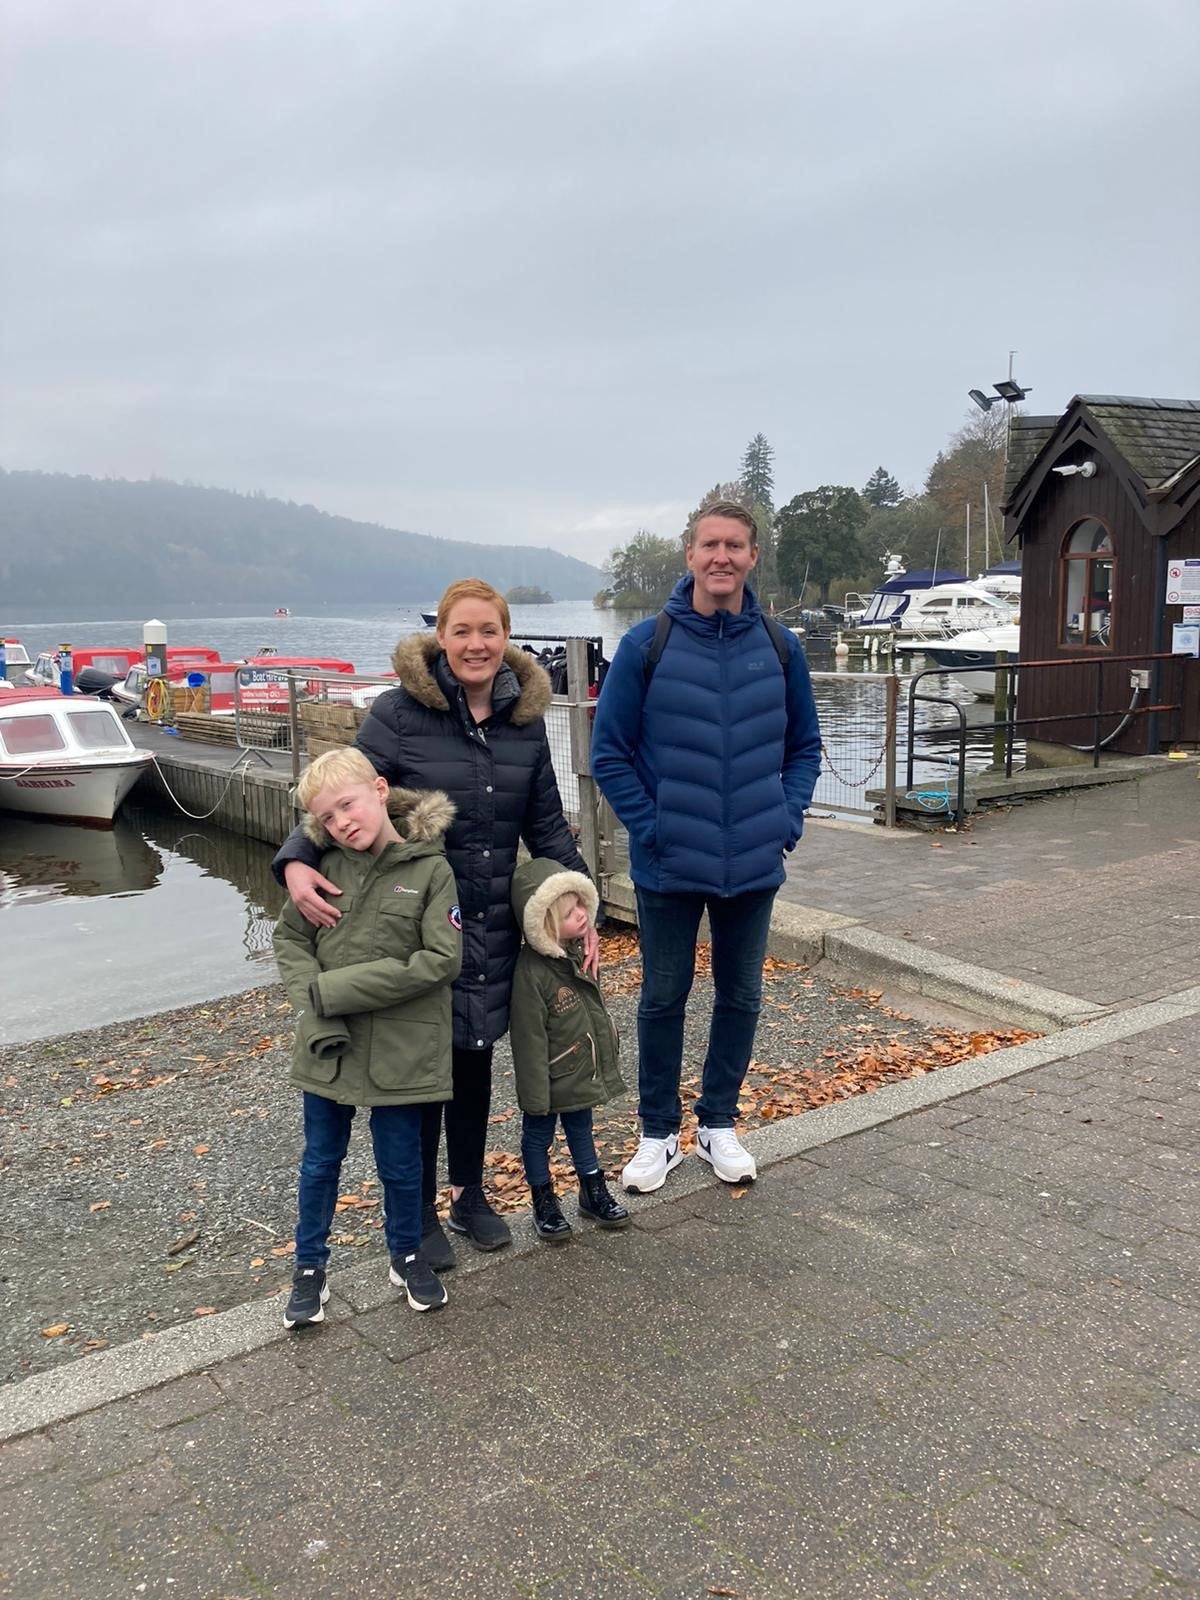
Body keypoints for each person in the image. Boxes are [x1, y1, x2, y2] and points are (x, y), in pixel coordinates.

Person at [273, 578, 597, 1268]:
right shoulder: (397, 713)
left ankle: (469, 1193)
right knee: (421, 1068)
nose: (476, 644)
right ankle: (416, 1210)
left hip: (490, 922)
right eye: (462, 631)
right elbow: (342, 797)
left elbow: (544, 825)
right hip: (415, 922)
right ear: (440, 639)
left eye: (489, 631)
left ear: (506, 638)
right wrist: (295, 861)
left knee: (474, 1056)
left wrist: (581, 904)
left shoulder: (525, 720)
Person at [590, 501, 822, 1192]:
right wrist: (653, 825)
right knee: (663, 995)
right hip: (668, 862)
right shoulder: (645, 645)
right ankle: (658, 1134)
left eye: (736, 546)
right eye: (710, 545)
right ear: (689, 555)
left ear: (753, 557)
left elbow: (805, 746)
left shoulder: (781, 647)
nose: (722, 557)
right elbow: (610, 753)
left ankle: (719, 1122)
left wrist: (786, 818)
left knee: (741, 995)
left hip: (753, 859)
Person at [272, 748, 461, 1326]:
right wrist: (317, 1005)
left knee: (401, 1163)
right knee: (320, 1161)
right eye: (327, 818)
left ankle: (406, 1254)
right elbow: (290, 942)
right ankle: (309, 1268)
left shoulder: (431, 870)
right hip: (329, 1040)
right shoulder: (322, 867)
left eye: (348, 805)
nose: (342, 823)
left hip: (405, 1046)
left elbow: (441, 959)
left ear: (379, 790)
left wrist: (337, 990)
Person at [508, 858, 628, 1242]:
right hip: (549, 1076)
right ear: (544, 923)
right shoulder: (531, 973)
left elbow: (593, 1012)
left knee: (581, 1129)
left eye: (582, 907)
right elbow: (528, 1039)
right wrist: (535, 1095)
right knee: (537, 1138)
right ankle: (543, 1198)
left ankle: (592, 1188)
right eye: (569, 912)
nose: (582, 916)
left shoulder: (578, 955)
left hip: (579, 1072)